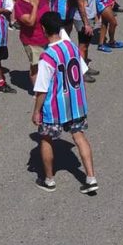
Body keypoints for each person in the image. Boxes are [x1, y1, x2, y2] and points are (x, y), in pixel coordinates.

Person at [31, 12, 99, 194]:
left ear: (44, 29)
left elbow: (42, 89)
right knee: (79, 136)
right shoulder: (72, 47)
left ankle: (49, 180)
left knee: (46, 139)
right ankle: (91, 177)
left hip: (54, 107)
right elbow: (82, 71)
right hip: (75, 103)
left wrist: (36, 111)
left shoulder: (47, 56)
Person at [12, 0, 52, 89]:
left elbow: (46, 10)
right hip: (32, 40)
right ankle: (38, 90)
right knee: (36, 66)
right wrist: (34, 5)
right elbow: (30, 22)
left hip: (47, 36)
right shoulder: (19, 5)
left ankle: (48, 86)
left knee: (48, 63)